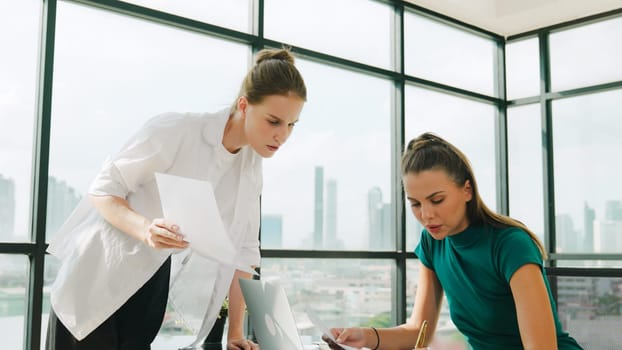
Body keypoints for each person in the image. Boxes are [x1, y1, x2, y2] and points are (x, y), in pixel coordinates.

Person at [46, 47, 307, 350]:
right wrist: (146, 229)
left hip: (150, 287)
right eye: (274, 121)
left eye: (291, 125)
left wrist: (235, 333)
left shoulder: (250, 168)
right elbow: (102, 191)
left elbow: (245, 253)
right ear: (244, 105)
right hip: (96, 280)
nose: (283, 136)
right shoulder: (177, 130)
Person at [326, 133, 583, 350]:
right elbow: (420, 331)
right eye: (415, 204)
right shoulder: (432, 243)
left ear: (467, 190)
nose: (426, 215)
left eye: (437, 200)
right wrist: (365, 336)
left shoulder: (510, 244)